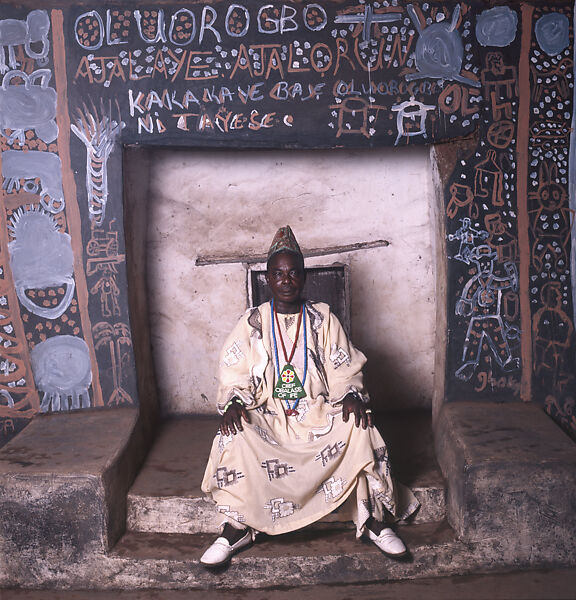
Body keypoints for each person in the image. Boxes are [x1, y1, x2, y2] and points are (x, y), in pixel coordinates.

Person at [200, 226, 419, 567]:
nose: (286, 280)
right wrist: (234, 402)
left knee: (359, 426)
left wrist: (350, 394)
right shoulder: (252, 322)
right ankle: (237, 526)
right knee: (234, 433)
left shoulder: (322, 318)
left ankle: (373, 519)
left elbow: (344, 366)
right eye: (278, 273)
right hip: (270, 414)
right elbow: (234, 370)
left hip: (315, 414)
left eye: (293, 273)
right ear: (268, 280)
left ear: (304, 278)